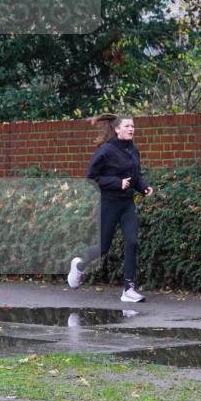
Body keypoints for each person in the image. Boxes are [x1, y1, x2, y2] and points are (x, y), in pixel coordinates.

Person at [66, 114, 153, 302]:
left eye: (133, 126)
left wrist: (144, 187)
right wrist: (116, 183)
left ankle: (129, 289)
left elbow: (136, 176)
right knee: (103, 247)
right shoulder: (105, 151)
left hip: (127, 204)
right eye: (127, 126)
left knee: (132, 242)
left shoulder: (133, 150)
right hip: (109, 203)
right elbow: (91, 178)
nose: (131, 129)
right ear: (117, 129)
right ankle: (79, 265)